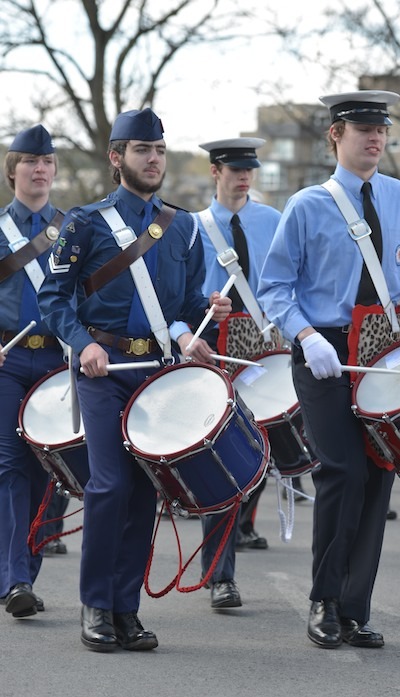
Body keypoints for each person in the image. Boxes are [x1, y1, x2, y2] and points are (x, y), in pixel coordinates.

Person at [257, 89, 400, 649]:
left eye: (381, 129)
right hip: (322, 350)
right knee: (340, 469)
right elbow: (274, 286)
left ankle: (354, 607)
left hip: (383, 350)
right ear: (336, 136)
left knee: (377, 474)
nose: (375, 137)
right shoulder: (305, 206)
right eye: (362, 128)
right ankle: (323, 599)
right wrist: (304, 335)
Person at [37, 108, 231, 652]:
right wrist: (83, 344)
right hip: (104, 370)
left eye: (160, 151)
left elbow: (186, 302)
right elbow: (54, 299)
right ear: (116, 157)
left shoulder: (183, 225)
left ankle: (126, 610)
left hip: (157, 373)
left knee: (146, 491)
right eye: (142, 150)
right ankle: (96, 604)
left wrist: (206, 314)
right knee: (110, 484)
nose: (153, 159)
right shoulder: (84, 223)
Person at [170, 137, 282, 608]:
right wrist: (183, 335)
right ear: (215, 171)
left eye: (249, 169)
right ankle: (220, 575)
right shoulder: (191, 229)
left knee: (261, 457)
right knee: (222, 461)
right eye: (234, 169)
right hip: (212, 350)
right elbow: (174, 297)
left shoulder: (274, 222)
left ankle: (237, 539)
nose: (243, 176)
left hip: (265, 347)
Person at [0, 125, 65, 618]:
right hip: (8, 361)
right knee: (9, 469)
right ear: (12, 172)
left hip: (58, 364)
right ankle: (15, 579)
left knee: (48, 473)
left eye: (46, 162)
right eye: (29, 162)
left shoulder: (75, 230)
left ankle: (25, 569)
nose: (39, 169)